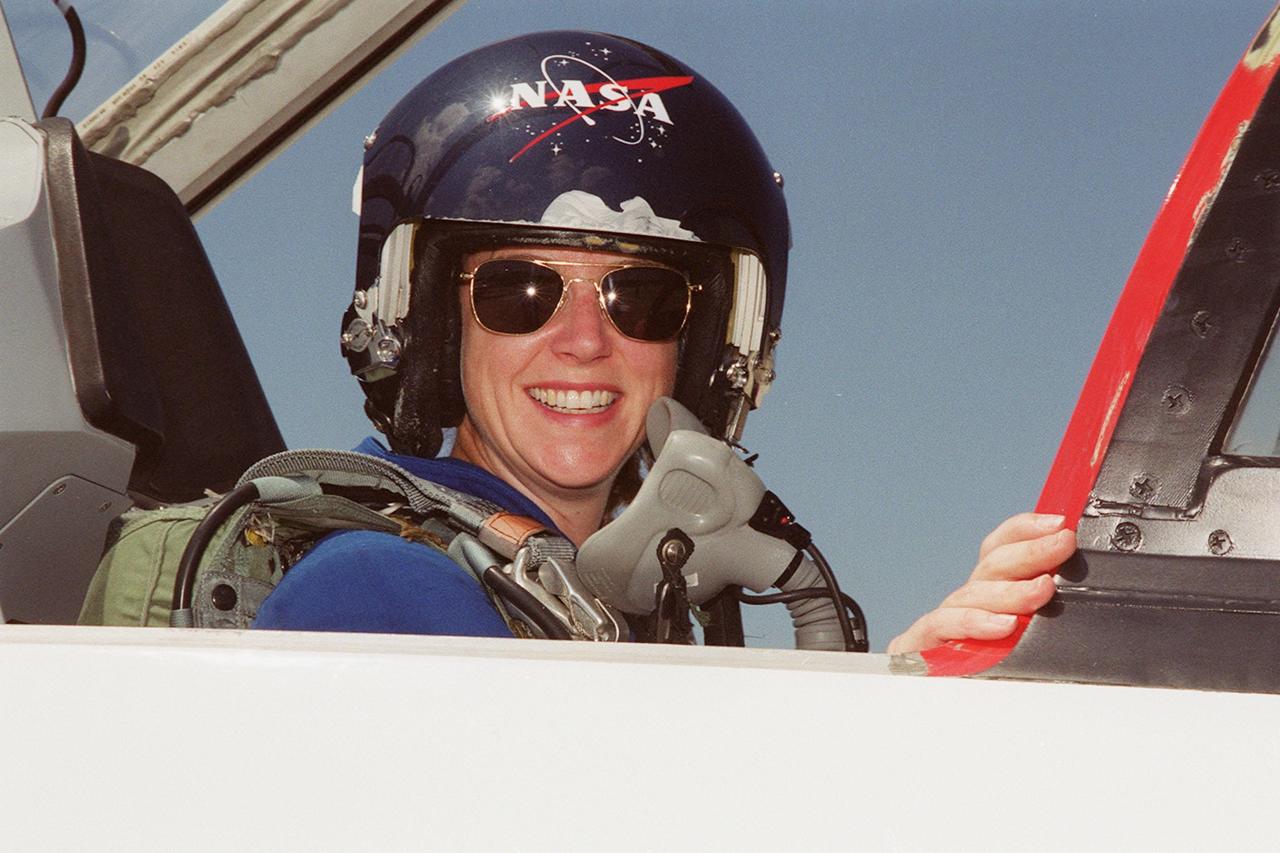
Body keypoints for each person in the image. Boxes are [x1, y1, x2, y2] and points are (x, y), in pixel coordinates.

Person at [244, 31, 1076, 649]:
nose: (583, 340)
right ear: (432, 325)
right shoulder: (380, 593)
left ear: (698, 341)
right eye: (519, 290)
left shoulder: (608, 609)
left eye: (641, 298)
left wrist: (921, 692)